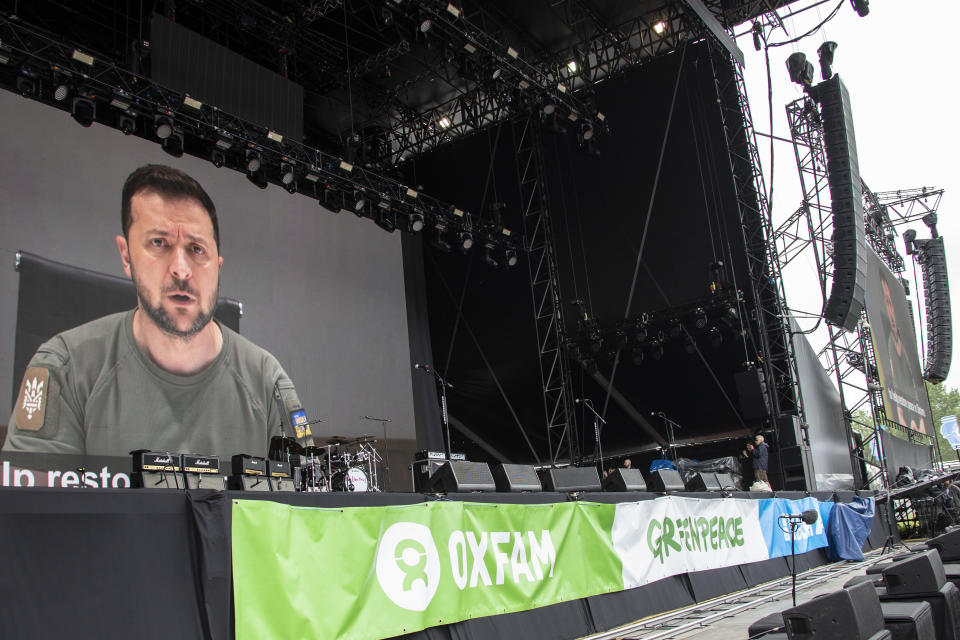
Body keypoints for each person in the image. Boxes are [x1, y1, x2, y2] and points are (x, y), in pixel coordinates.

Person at [3, 164, 307, 458]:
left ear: (218, 265)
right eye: (159, 243)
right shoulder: (64, 369)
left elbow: (304, 500)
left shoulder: (269, 385)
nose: (181, 269)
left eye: (196, 249)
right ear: (126, 255)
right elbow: (34, 505)